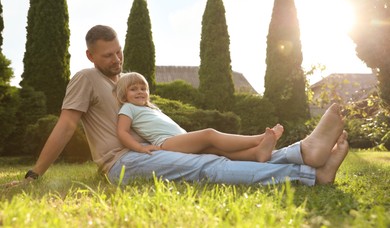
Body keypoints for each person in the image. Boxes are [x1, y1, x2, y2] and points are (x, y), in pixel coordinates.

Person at [12, 25, 348, 187]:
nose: (116, 60)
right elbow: (67, 125)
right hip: (123, 161)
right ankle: (310, 173)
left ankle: (303, 152)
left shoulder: (126, 86)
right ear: (90, 56)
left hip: (153, 149)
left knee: (217, 154)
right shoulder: (86, 77)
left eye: (118, 52)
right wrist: (34, 174)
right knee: (207, 166)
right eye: (107, 55)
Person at [115, 72, 283, 162]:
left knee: (218, 150)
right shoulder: (128, 108)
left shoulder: (151, 108)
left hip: (179, 139)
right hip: (167, 142)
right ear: (124, 93)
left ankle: (257, 154)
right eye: (133, 89)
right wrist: (140, 148)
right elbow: (122, 132)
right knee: (209, 134)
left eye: (142, 88)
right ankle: (258, 139)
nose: (139, 92)